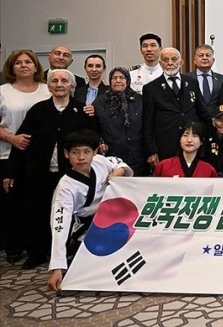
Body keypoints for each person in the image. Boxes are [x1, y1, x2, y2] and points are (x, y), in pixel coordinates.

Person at [4, 69, 96, 269]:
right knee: (36, 212)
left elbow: (93, 142)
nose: (59, 84)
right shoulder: (38, 110)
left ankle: (68, 253)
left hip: (72, 174)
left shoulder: (82, 110)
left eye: (64, 81)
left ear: (72, 86)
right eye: (54, 81)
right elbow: (22, 141)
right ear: (49, 86)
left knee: (69, 213)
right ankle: (37, 254)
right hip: (39, 171)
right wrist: (11, 172)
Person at [47, 129, 132, 292]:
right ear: (66, 154)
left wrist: (118, 172)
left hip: (112, 222)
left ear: (95, 151)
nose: (81, 157)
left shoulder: (100, 162)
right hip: (86, 229)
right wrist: (56, 266)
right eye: (75, 152)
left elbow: (120, 164)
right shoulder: (65, 187)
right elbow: (59, 227)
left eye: (86, 152)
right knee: (84, 271)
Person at [0, 50, 51, 264]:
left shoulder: (46, 89)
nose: (23, 65)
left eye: (28, 62)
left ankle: (39, 246)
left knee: (37, 202)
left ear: (35, 66)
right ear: (11, 68)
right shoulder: (3, 91)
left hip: (40, 156)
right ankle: (13, 246)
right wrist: (11, 138)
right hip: (8, 153)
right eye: (18, 63)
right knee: (11, 202)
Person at [143, 47, 212, 166]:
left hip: (191, 143)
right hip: (166, 145)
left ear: (181, 62)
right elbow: (147, 123)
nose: (170, 63)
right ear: (160, 63)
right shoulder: (151, 88)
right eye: (166, 60)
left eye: (174, 59)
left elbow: (201, 111)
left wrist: (215, 125)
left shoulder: (192, 83)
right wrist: (152, 151)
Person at [93, 67, 147, 175]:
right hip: (111, 158)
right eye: (114, 78)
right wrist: (100, 142)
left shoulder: (140, 100)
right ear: (110, 81)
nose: (118, 81)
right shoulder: (100, 102)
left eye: (122, 78)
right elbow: (94, 128)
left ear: (128, 80)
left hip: (137, 157)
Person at [184, 44, 223, 115]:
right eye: (201, 55)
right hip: (194, 119)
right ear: (195, 60)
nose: (204, 58)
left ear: (213, 60)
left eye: (208, 55)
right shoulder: (185, 79)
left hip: (216, 119)